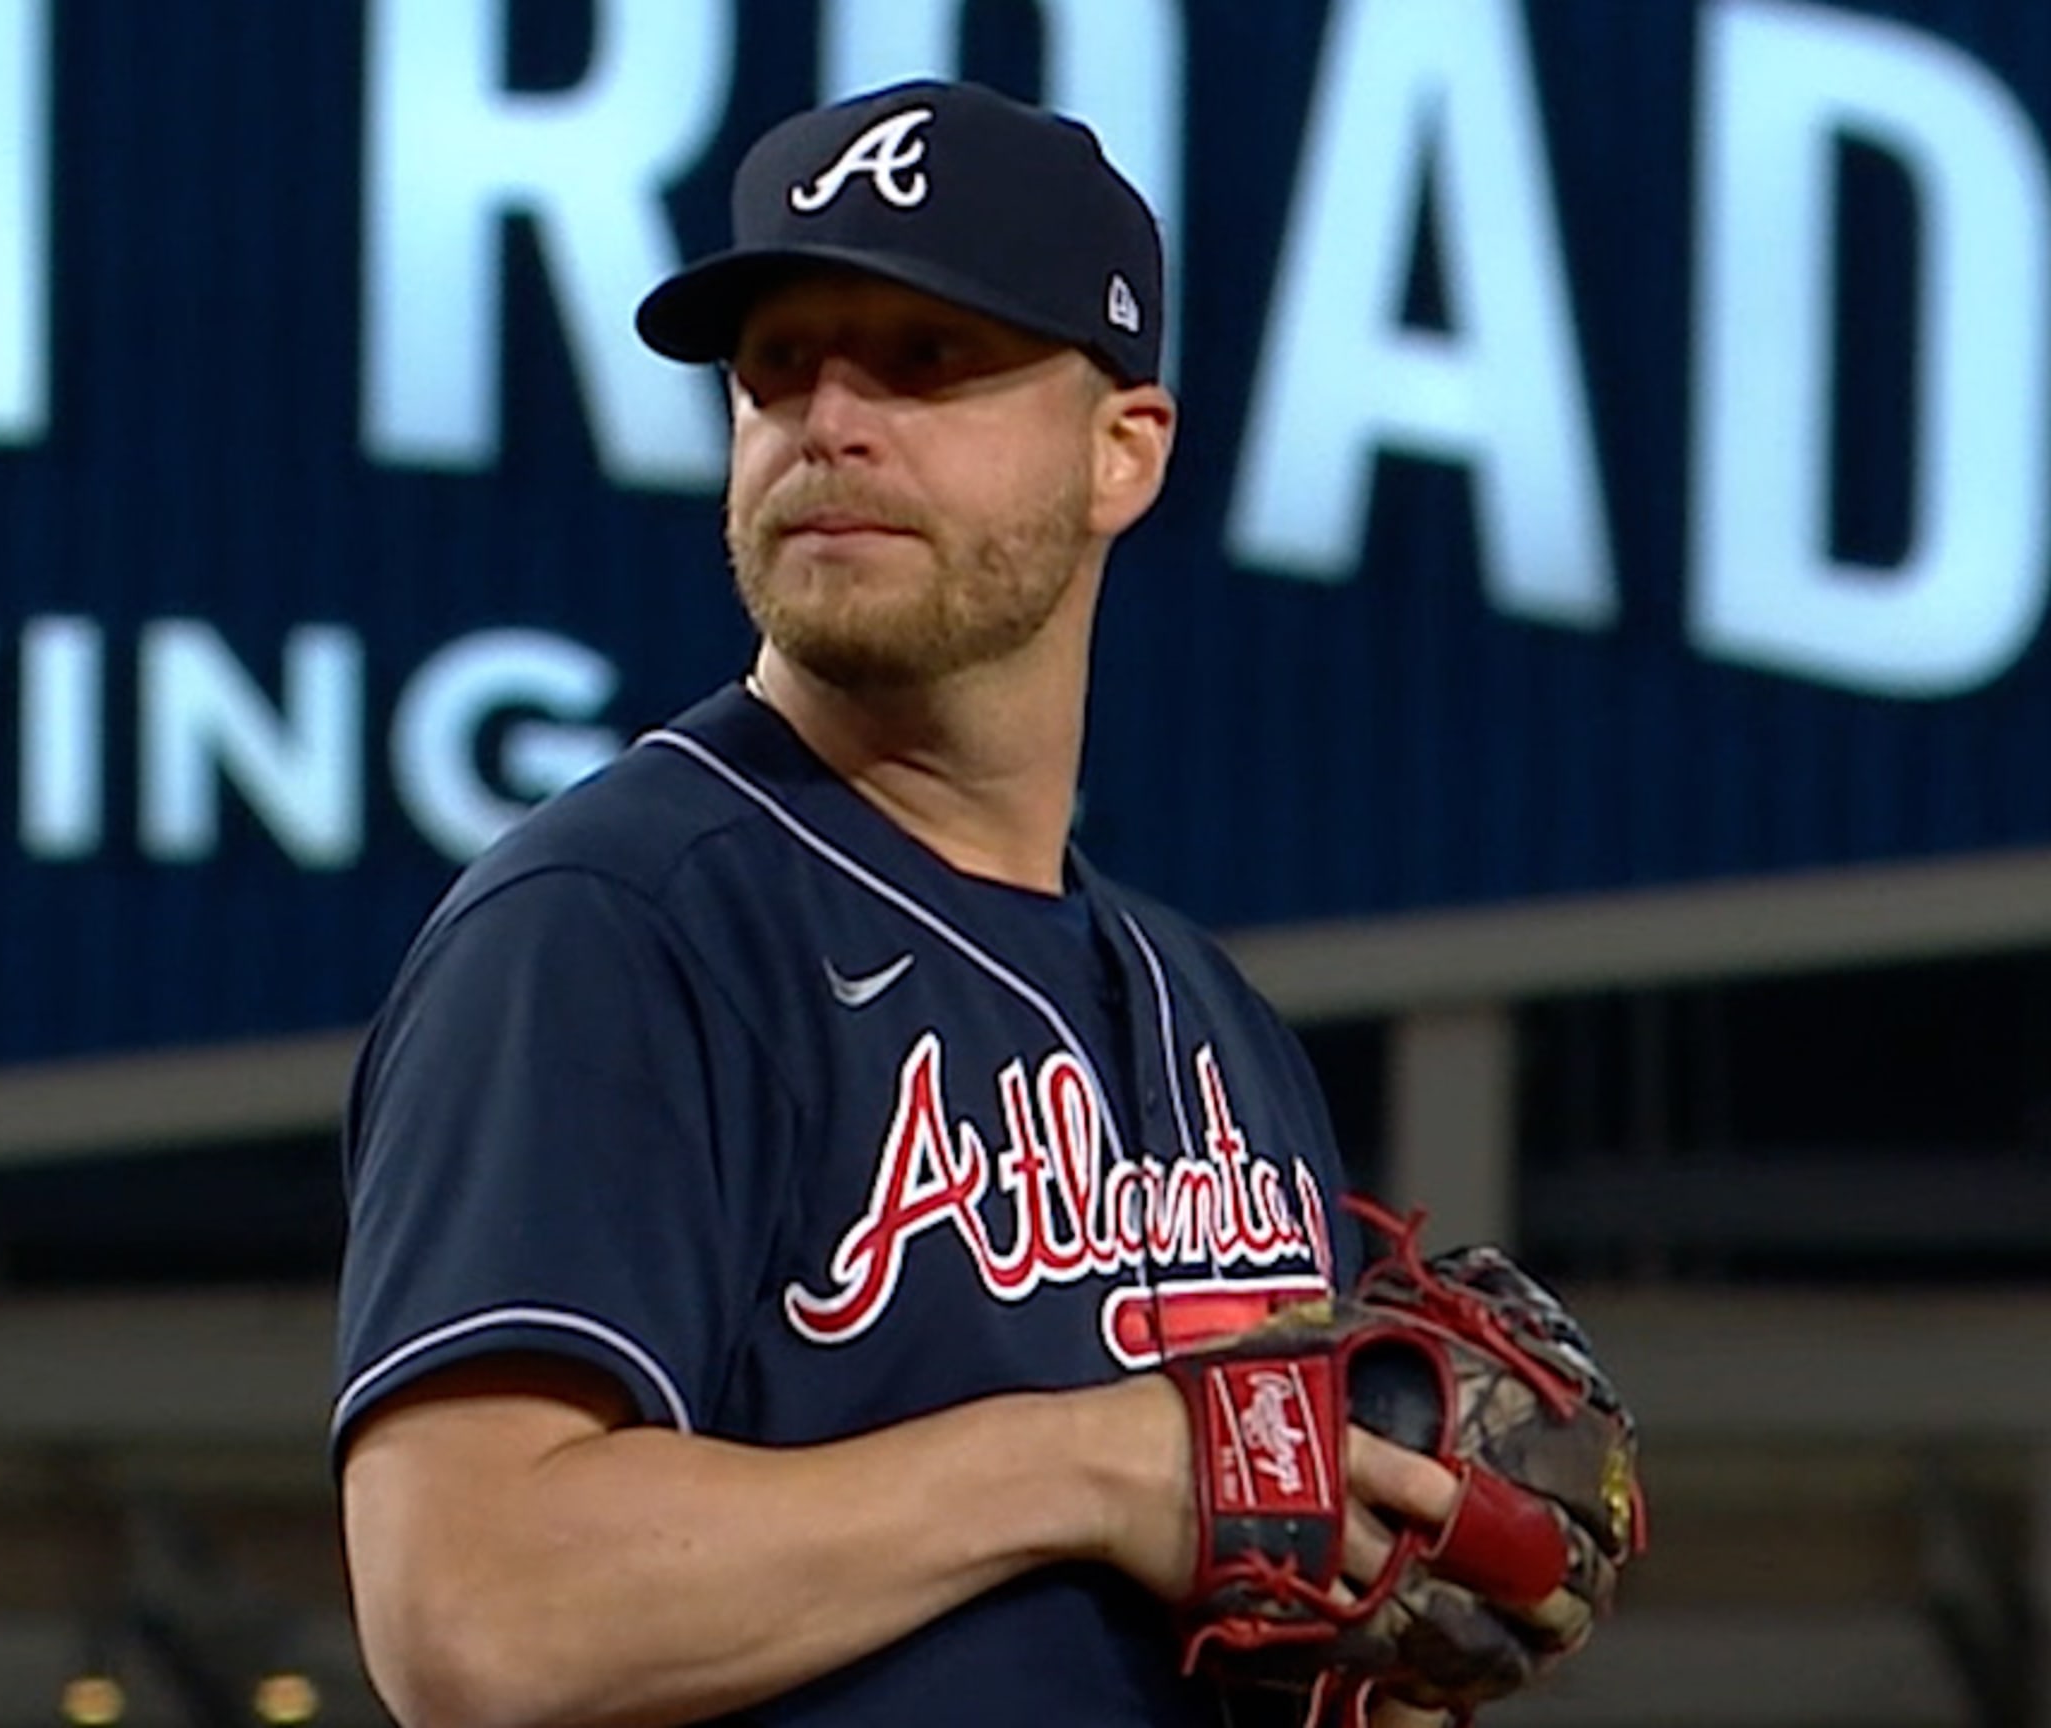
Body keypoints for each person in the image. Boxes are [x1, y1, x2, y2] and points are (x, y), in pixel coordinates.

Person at [332, 79, 1464, 1728]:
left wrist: (1391, 1612)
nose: (828, 421)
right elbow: (479, 1612)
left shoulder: (1209, 1016)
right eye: (778, 369)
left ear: (1121, 452)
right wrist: (1090, 1462)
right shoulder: (615, 926)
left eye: (925, 361)